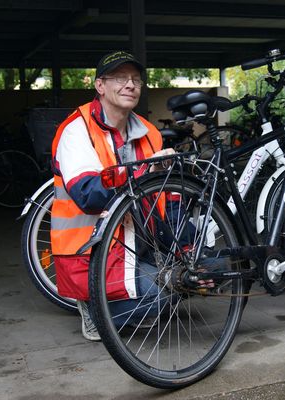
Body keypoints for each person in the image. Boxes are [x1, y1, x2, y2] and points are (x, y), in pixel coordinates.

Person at [50, 50, 175, 341]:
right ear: (100, 86)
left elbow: (167, 201)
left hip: (135, 240)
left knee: (200, 275)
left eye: (135, 79)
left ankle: (130, 296)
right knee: (157, 300)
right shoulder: (76, 130)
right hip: (89, 252)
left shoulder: (149, 132)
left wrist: (187, 249)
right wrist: (146, 169)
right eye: (119, 78)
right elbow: (89, 195)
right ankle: (92, 304)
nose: (130, 84)